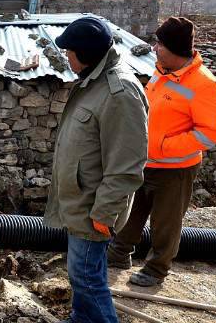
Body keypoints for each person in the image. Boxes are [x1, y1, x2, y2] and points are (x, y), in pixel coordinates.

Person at [107, 17, 216, 287]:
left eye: (160, 43)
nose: (154, 48)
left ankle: (156, 270)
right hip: (144, 161)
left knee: (165, 223)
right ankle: (118, 255)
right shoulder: (162, 73)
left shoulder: (204, 85)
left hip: (176, 168)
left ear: (174, 48)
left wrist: (163, 146)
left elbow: (212, 132)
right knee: (131, 211)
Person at [44, 17, 148, 323]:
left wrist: (104, 214)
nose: (66, 56)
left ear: (86, 53)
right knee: (81, 276)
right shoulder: (93, 82)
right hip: (82, 202)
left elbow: (127, 166)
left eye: (69, 51)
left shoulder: (120, 93)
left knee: (88, 279)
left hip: (95, 210)